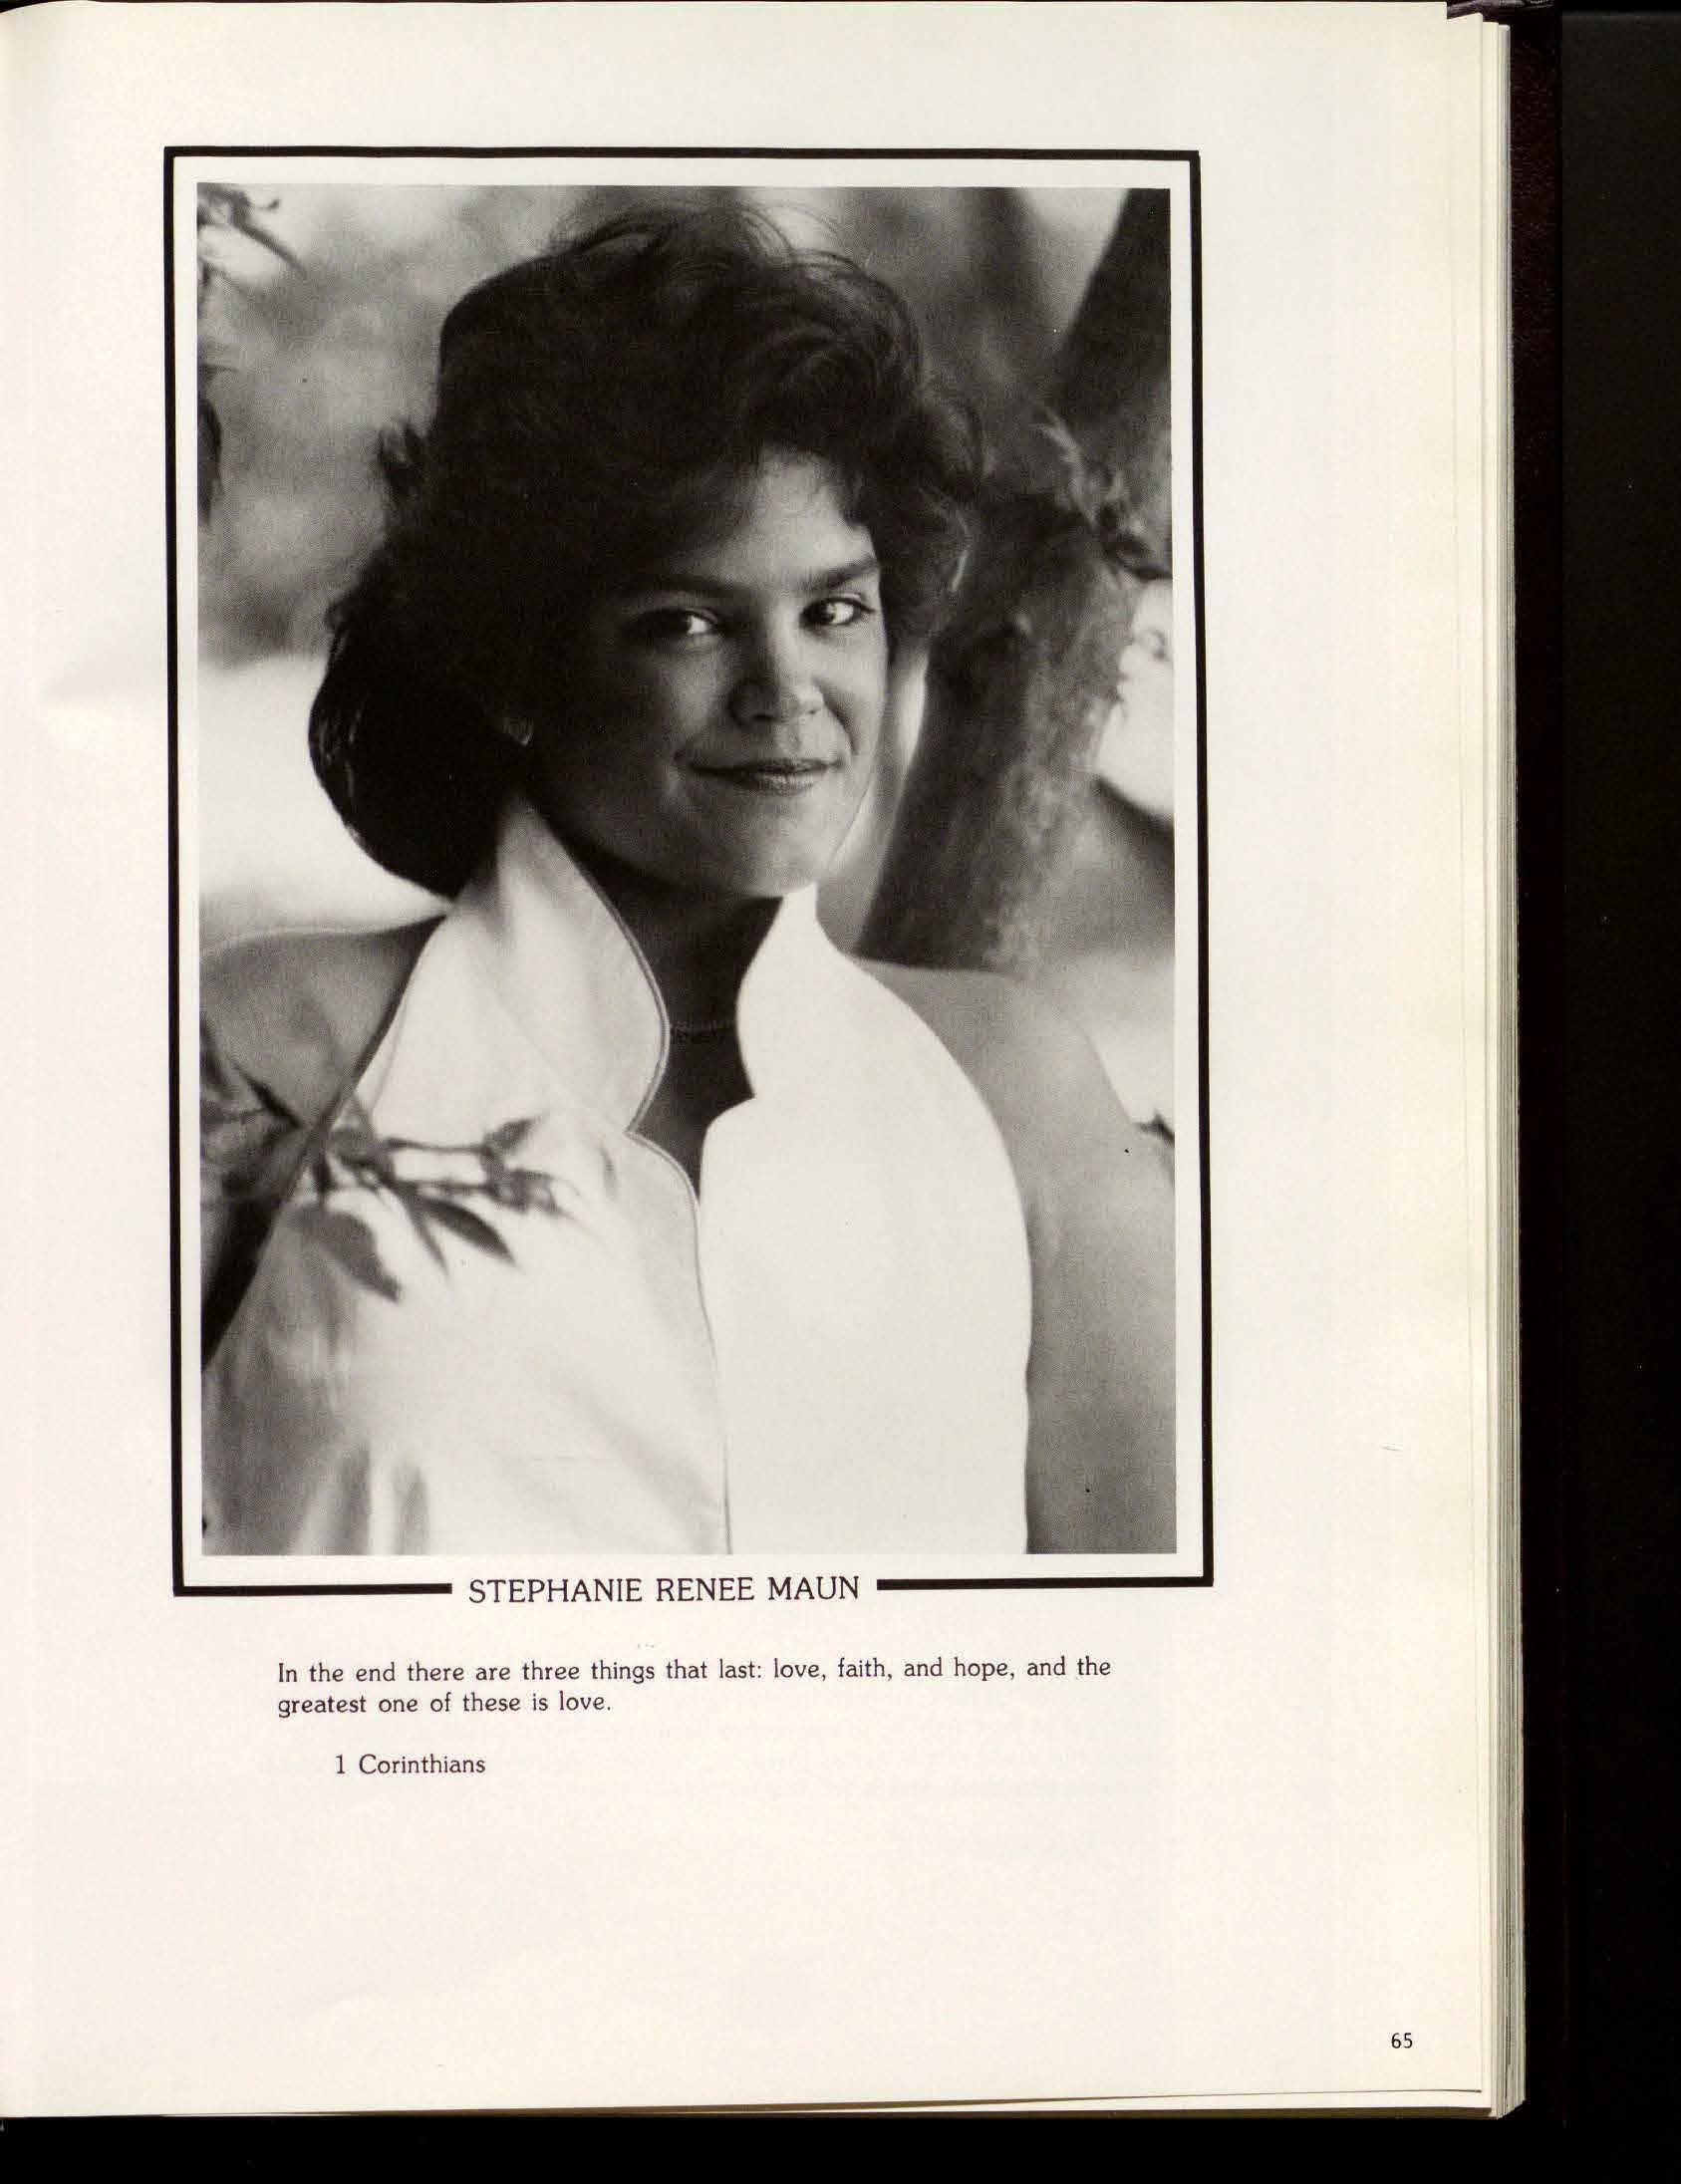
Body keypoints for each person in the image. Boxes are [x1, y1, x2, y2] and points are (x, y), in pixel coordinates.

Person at [198, 205, 1174, 1557]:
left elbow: (1153, 1644)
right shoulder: (278, 1051)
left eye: (834, 610)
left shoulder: (1018, 1095)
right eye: (690, 622)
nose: (790, 691)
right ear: (517, 668)